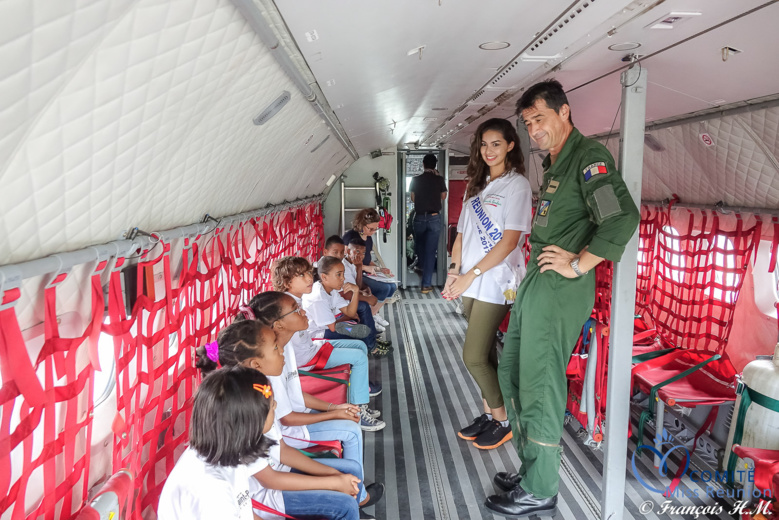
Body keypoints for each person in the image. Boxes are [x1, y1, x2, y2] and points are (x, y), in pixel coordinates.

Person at [485, 80, 640, 517]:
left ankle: (541, 487)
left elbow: (622, 218)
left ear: (564, 112)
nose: (534, 129)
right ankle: (531, 468)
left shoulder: (588, 158)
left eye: (540, 118)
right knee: (513, 372)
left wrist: (578, 264)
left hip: (559, 287)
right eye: (528, 122)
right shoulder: (556, 163)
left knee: (540, 384)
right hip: (538, 281)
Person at [159, 362, 362, 519]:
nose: (276, 407)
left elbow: (246, 512)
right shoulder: (212, 491)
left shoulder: (229, 452)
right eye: (271, 407)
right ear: (252, 422)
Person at [442, 118, 533, 451]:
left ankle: (504, 420)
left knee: (473, 356)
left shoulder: (517, 186)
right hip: (469, 281)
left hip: (496, 281)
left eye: (496, 144)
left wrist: (471, 275)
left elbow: (509, 242)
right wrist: (454, 272)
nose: (489, 150)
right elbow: (461, 235)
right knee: (485, 353)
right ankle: (489, 414)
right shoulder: (476, 184)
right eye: (483, 144)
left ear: (510, 145)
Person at [245, 290, 386, 432]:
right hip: (310, 355)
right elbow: (287, 417)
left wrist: (334, 409)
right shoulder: (276, 360)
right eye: (297, 310)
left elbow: (295, 393)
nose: (303, 312)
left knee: (360, 344)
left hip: (314, 347)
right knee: (358, 355)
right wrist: (334, 411)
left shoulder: (285, 346)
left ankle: (360, 396)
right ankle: (359, 407)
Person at [342, 208, 397, 325]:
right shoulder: (350, 236)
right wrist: (366, 268)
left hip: (364, 272)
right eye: (370, 229)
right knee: (384, 288)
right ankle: (369, 319)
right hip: (352, 273)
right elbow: (345, 261)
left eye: (375, 229)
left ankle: (373, 314)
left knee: (392, 286)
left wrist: (380, 269)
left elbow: (368, 260)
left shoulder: (369, 238)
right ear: (362, 224)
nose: (373, 232)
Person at [409, 153, 448, 293]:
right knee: (431, 251)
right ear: (435, 165)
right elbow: (443, 196)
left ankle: (421, 265)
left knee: (419, 245)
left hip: (419, 217)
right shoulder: (439, 179)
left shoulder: (415, 179)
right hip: (434, 217)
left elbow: (413, 198)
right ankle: (426, 284)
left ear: (423, 164)